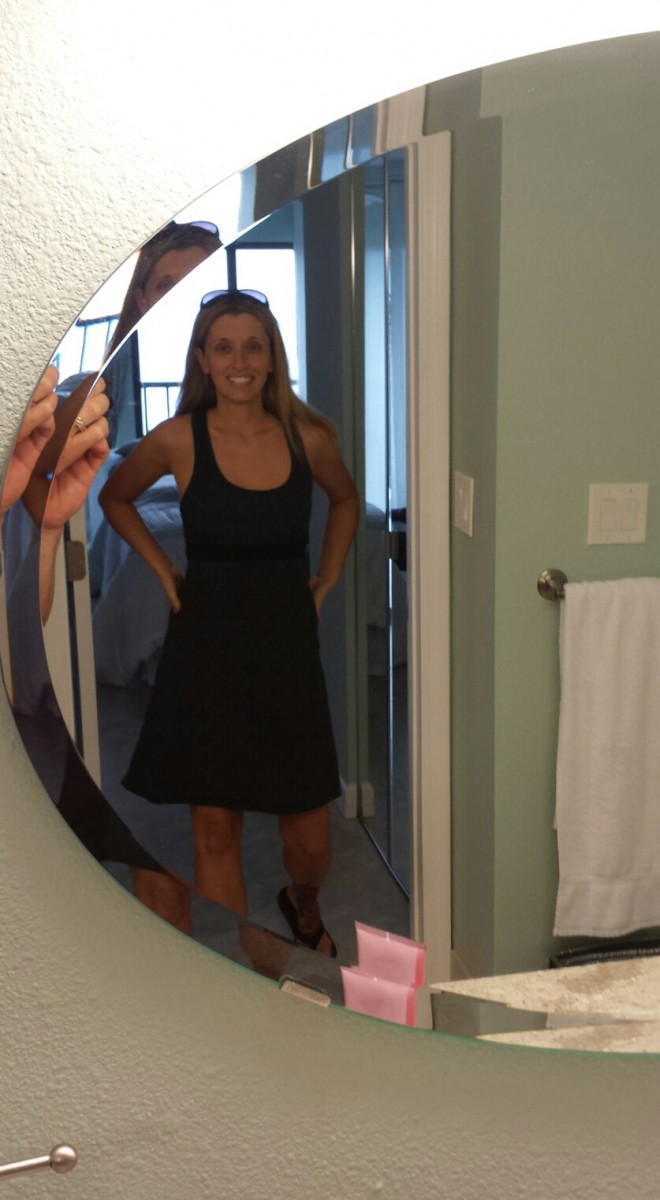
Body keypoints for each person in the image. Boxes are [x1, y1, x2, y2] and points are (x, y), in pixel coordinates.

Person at [99, 290, 360, 955]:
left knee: (308, 834)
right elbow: (116, 497)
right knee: (215, 826)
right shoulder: (177, 439)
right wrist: (162, 568)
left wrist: (328, 575)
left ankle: (304, 907)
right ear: (202, 359)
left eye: (253, 346)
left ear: (272, 358)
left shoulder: (309, 437)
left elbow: (345, 499)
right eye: (223, 347)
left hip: (286, 648)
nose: (239, 361)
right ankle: (247, 966)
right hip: (206, 650)